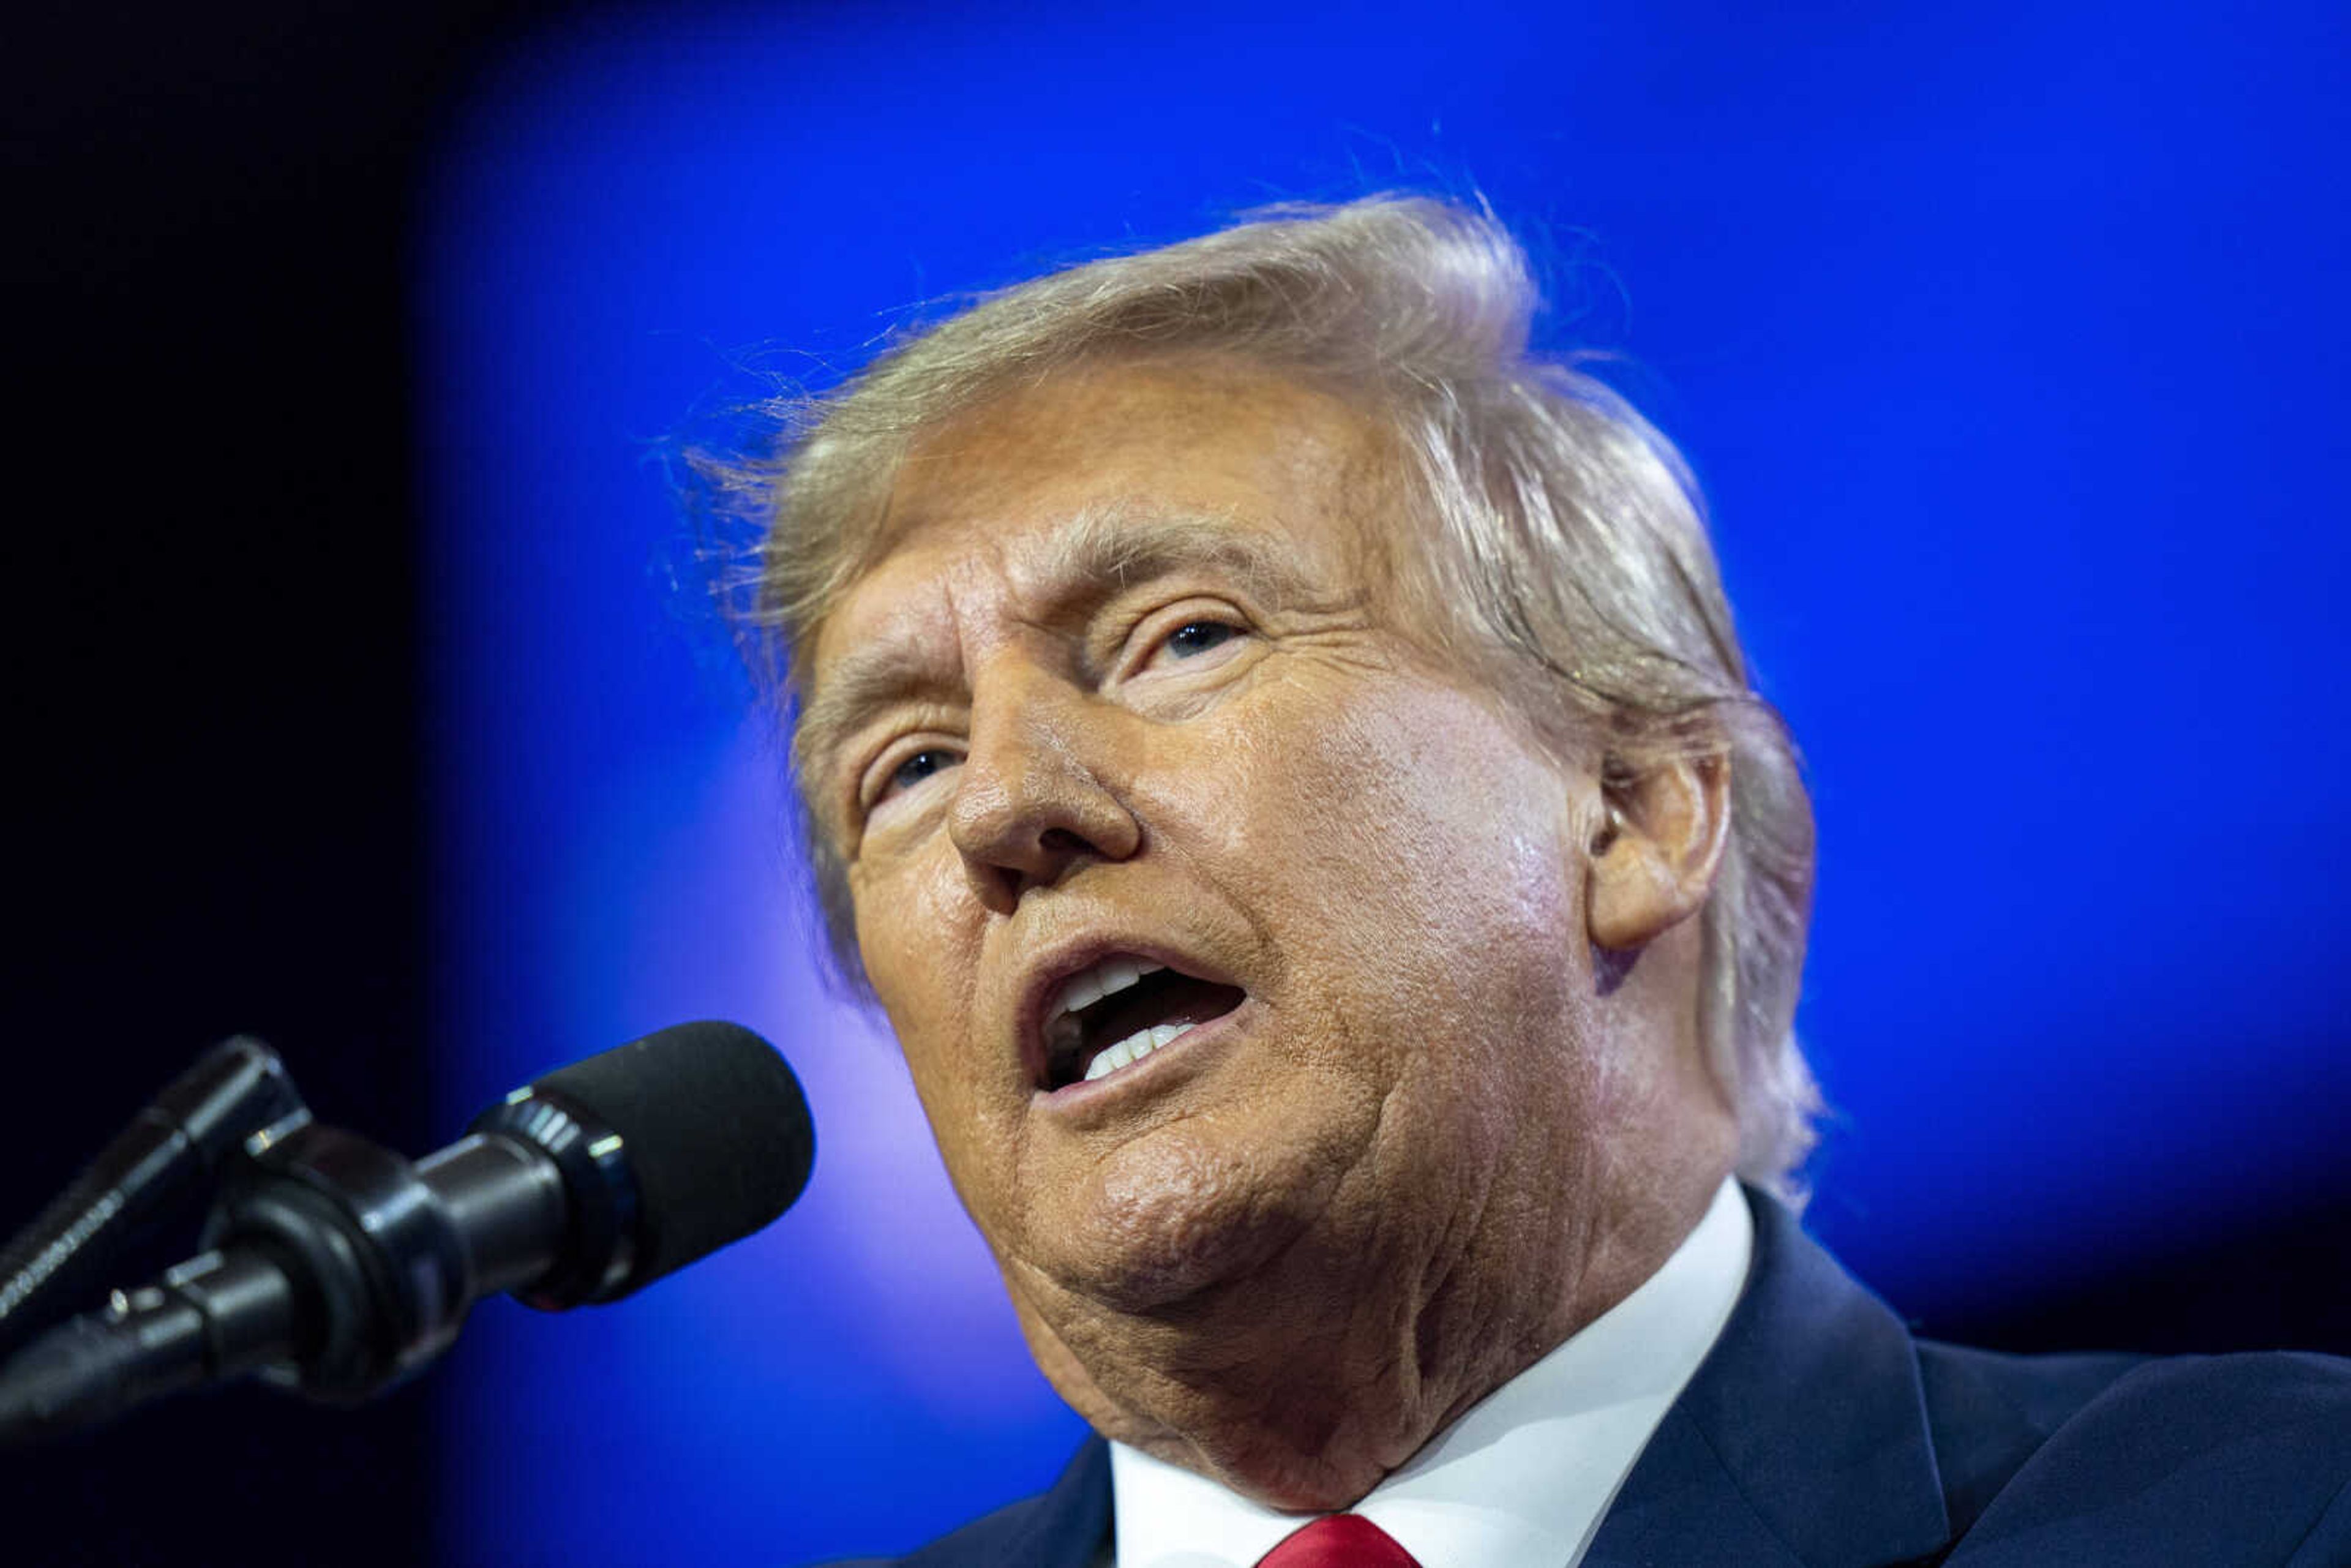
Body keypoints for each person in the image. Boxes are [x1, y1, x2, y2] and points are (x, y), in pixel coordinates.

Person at [704, 197, 2349, 1567]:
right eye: (904, 767)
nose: (1002, 803)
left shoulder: (2268, 1515)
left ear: (1631, 810)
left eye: (1184, 637)